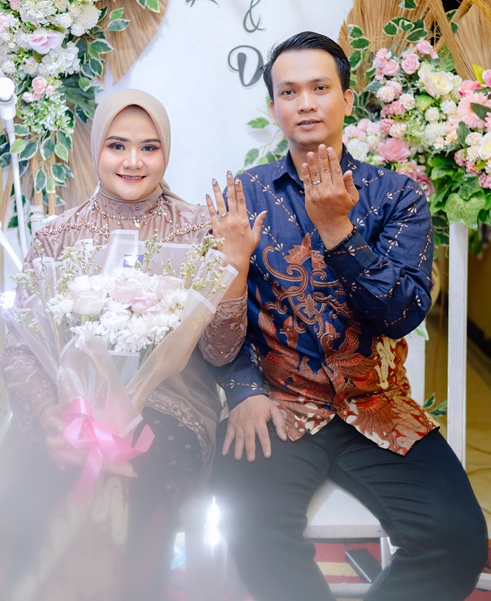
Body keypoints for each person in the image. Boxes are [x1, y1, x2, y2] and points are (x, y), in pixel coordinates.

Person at [208, 31, 488, 601]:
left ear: (347, 98)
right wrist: (242, 390)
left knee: (457, 541)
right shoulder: (245, 196)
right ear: (273, 106)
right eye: (289, 92)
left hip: (377, 404)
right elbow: (215, 322)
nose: (305, 103)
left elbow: (402, 314)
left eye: (320, 88)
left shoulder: (397, 195)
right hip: (280, 406)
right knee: (251, 531)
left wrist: (339, 230)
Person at [0, 89, 262, 601]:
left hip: (171, 408)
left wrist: (235, 268)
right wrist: (50, 418)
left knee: (137, 483)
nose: (133, 162)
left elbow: (220, 352)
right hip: (72, 412)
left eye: (149, 147)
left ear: (166, 151)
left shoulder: (200, 228)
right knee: (31, 497)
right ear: (97, 151)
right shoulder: (57, 235)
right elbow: (20, 349)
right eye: (117, 146)